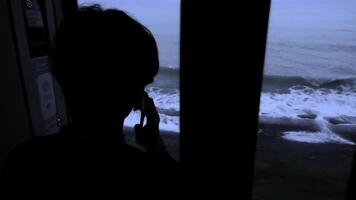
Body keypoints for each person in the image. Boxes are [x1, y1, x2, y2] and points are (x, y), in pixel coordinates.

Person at [2, 5, 178, 198]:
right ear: (135, 98)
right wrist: (157, 148)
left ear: (62, 78)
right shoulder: (148, 176)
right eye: (142, 83)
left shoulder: (23, 159)